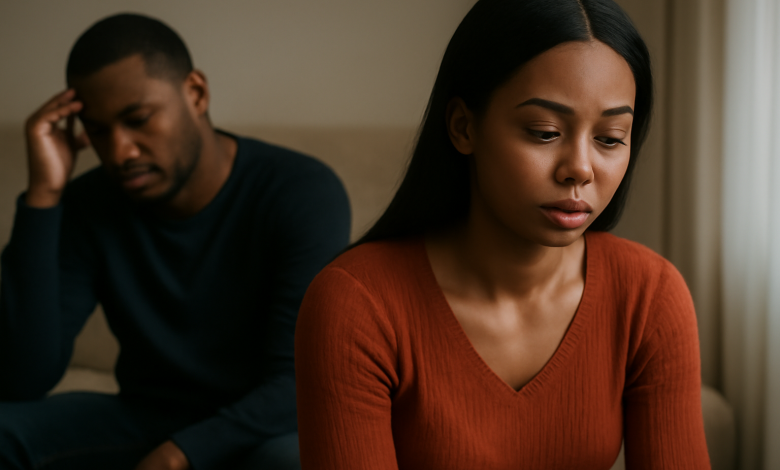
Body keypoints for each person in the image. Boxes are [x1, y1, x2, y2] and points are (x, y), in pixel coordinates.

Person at [294, 0, 711, 468]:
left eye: (610, 138)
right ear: (463, 126)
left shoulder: (650, 296)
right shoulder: (356, 303)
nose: (580, 168)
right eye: (544, 131)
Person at [0, 13, 350, 470]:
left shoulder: (301, 191)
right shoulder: (89, 205)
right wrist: (44, 197)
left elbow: (301, 381)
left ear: (196, 93)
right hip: (145, 418)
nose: (121, 151)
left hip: (267, 428)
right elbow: (21, 379)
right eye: (99, 131)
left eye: (138, 119)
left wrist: (182, 454)